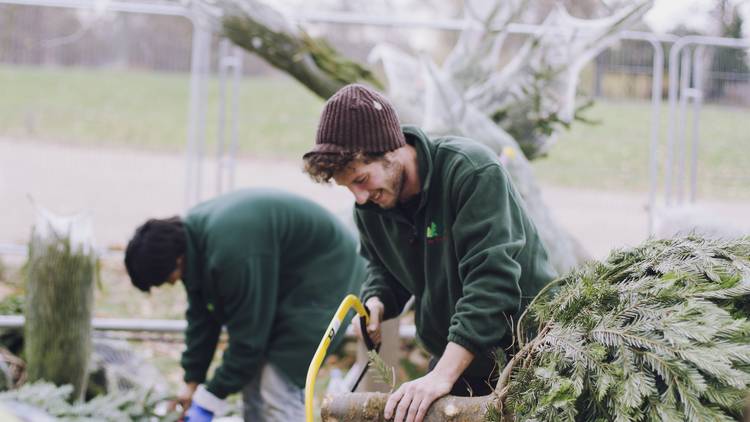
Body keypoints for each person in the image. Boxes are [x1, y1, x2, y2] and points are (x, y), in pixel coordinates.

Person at [303, 84, 557, 422]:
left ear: (390, 150)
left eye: (361, 179)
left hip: (527, 354)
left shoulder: (470, 173)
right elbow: (383, 266)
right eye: (349, 187)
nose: (360, 197)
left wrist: (441, 376)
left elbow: (492, 284)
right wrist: (377, 299)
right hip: (456, 360)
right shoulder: (370, 207)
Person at [124, 188, 366, 422]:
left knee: (276, 384)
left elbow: (249, 341)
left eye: (167, 280)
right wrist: (192, 384)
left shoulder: (232, 253)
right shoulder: (192, 241)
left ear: (177, 260)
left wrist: (210, 398)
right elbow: (202, 317)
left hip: (328, 276)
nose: (171, 283)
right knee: (251, 381)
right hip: (287, 281)